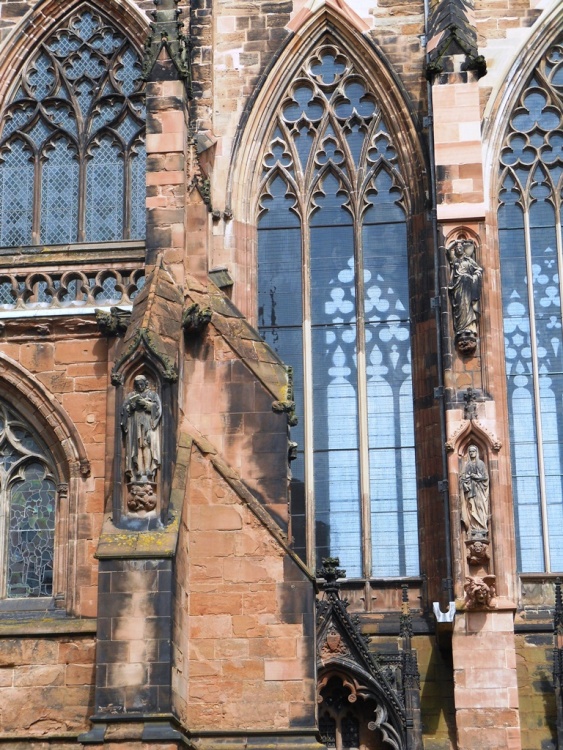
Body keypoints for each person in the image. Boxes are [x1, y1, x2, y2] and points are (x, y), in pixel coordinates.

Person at [121, 375, 162, 483]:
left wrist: (146, 404)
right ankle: (139, 469)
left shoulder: (152, 395)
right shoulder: (131, 395)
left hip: (148, 422)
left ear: (145, 384)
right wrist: (131, 407)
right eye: (137, 385)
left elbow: (158, 409)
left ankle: (147, 468)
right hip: (135, 422)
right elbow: (124, 410)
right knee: (137, 446)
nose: (140, 386)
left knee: (146, 444)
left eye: (141, 384)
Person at [447, 239, 483, 340]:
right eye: (457, 249)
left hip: (467, 285)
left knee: (468, 305)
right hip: (458, 286)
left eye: (460, 248)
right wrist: (455, 242)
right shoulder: (455, 259)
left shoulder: (468, 260)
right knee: (460, 305)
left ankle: (470, 328)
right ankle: (461, 328)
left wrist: (474, 277)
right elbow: (447, 249)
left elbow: (479, 269)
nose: (458, 250)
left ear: (463, 250)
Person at [460, 444, 489, 536]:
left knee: (480, 506)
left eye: (473, 451)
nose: (472, 453)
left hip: (479, 489)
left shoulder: (481, 463)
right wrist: (465, 482)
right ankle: (473, 526)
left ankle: (481, 526)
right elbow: (463, 477)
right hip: (470, 490)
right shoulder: (467, 465)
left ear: (476, 452)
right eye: (470, 452)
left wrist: (475, 476)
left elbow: (485, 477)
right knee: (471, 506)